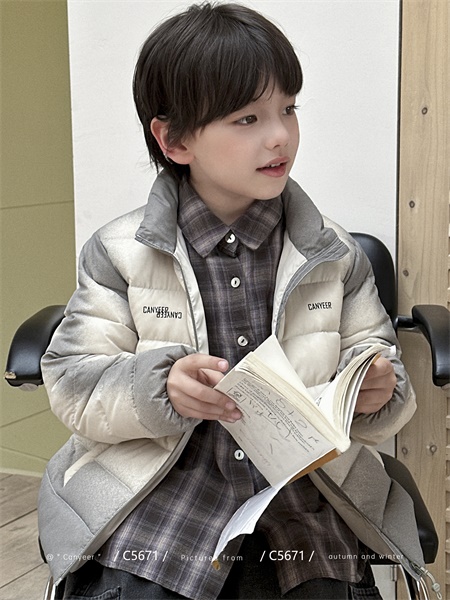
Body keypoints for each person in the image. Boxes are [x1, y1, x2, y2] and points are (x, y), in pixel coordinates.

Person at [39, 3, 419, 599]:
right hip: (162, 493)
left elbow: (380, 369)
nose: (280, 135)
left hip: (302, 497)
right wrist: (158, 388)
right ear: (174, 139)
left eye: (288, 109)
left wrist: (375, 393)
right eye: (247, 118)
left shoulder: (333, 254)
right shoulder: (119, 252)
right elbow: (72, 382)